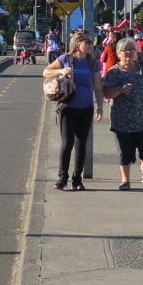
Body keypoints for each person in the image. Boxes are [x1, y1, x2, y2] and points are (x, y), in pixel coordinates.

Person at [42, 30, 104, 190]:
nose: (91, 45)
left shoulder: (92, 62)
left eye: (91, 42)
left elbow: (97, 86)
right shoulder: (66, 59)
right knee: (67, 143)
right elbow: (46, 72)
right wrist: (61, 71)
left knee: (81, 143)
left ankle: (77, 179)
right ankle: (62, 178)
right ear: (77, 44)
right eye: (87, 42)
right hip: (68, 106)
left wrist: (100, 106)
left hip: (86, 107)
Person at [102, 37, 143, 190]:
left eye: (131, 50)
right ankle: (125, 180)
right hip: (122, 120)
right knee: (124, 153)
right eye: (124, 50)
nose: (128, 53)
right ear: (118, 53)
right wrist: (120, 90)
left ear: (136, 52)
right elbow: (106, 93)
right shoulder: (114, 72)